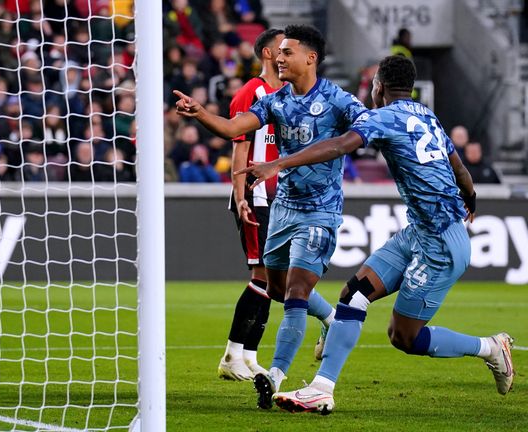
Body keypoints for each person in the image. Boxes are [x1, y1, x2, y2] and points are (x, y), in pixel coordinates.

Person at [238, 55, 514, 414]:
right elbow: (458, 165)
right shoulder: (426, 115)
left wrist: (279, 162)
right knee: (353, 295)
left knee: (404, 337)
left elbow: (340, 145)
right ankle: (322, 387)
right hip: (419, 232)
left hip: (441, 245)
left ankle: (490, 347)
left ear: (378, 86)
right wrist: (470, 197)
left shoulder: (380, 117)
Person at [174, 24, 363, 401]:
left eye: (287, 52)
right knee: (274, 288)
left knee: (293, 291)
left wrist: (280, 164)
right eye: (278, 52)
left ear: (310, 58)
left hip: (320, 210)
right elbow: (232, 129)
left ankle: (274, 376)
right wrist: (199, 114)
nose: (279, 57)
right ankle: (332, 319)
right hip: (282, 210)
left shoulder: (339, 101)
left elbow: (355, 138)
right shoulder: (276, 101)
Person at [218, 28, 287, 381]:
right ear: (265, 53)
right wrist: (241, 195)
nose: (286, 52)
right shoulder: (250, 92)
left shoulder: (289, 94)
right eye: (281, 47)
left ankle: (248, 354)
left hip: (281, 196)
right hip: (255, 195)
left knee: (274, 279)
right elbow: (239, 146)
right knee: (261, 274)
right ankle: (233, 354)